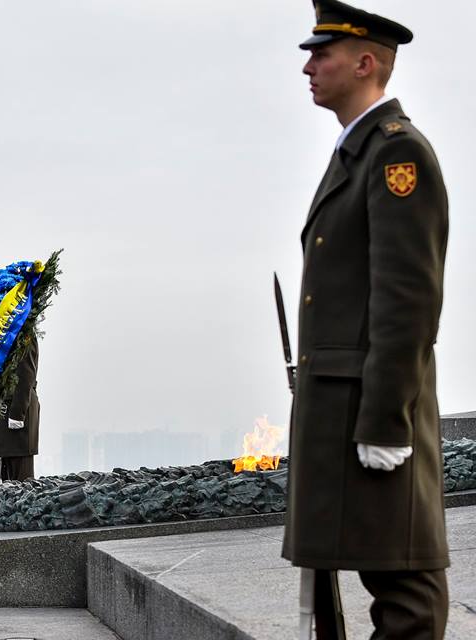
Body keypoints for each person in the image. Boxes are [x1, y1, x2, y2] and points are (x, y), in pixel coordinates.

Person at [282, 1, 450, 637]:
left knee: (404, 580)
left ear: (366, 62)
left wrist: (387, 420)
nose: (308, 66)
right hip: (338, 405)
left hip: (372, 409)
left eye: (321, 53)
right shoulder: (354, 154)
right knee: (347, 568)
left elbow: (406, 301)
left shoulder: (396, 156)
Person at [0, 337, 40, 481]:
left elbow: (26, 374)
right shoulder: (4, 333)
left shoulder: (25, 333)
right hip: (3, 407)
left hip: (16, 409)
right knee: (5, 471)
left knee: (21, 477)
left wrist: (17, 413)